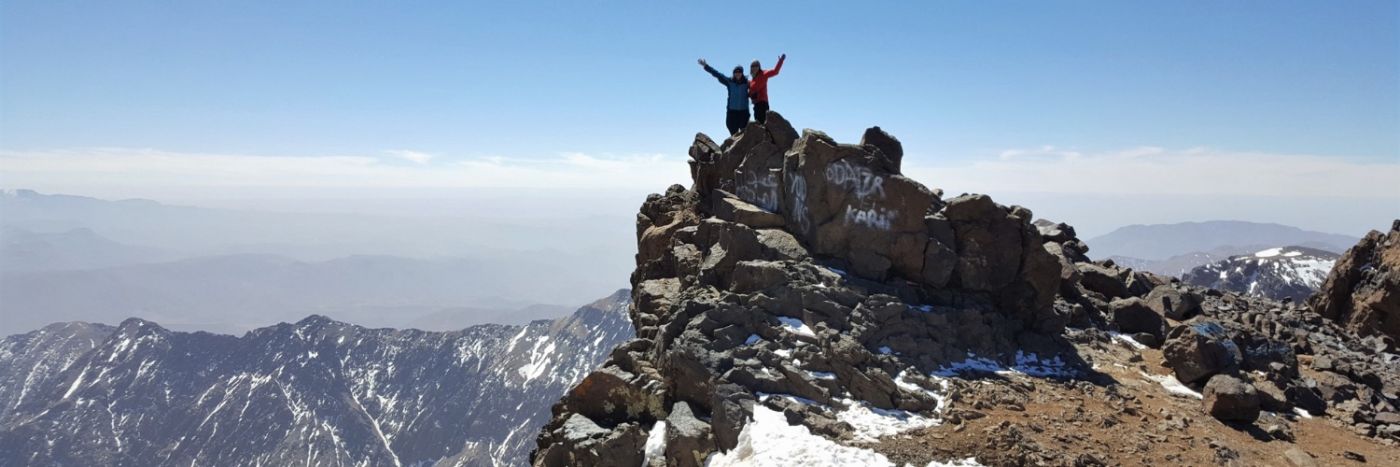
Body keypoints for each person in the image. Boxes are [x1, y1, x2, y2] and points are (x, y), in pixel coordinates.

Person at [698, 59, 750, 136]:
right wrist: (706, 66)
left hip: (744, 112)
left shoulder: (747, 83)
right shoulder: (729, 82)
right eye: (736, 72)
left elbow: (756, 87)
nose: (738, 73)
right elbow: (717, 74)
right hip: (732, 112)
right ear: (733, 73)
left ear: (742, 73)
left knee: (744, 133)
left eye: (739, 72)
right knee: (732, 131)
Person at [748, 53, 785, 124]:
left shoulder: (764, 74)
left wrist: (780, 61)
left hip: (763, 104)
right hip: (756, 105)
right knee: (758, 124)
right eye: (753, 66)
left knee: (764, 124)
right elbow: (750, 93)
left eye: (756, 65)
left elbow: (775, 71)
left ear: (759, 67)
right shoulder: (751, 81)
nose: (754, 67)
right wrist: (751, 96)